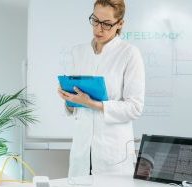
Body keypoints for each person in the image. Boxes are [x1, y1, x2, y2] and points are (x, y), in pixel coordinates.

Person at [58, 0, 145, 177]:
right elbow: (75, 107)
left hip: (113, 154)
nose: (99, 29)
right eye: (95, 21)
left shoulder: (129, 53)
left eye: (106, 24)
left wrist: (93, 104)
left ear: (120, 24)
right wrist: (69, 100)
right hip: (82, 152)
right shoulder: (78, 52)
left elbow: (135, 107)